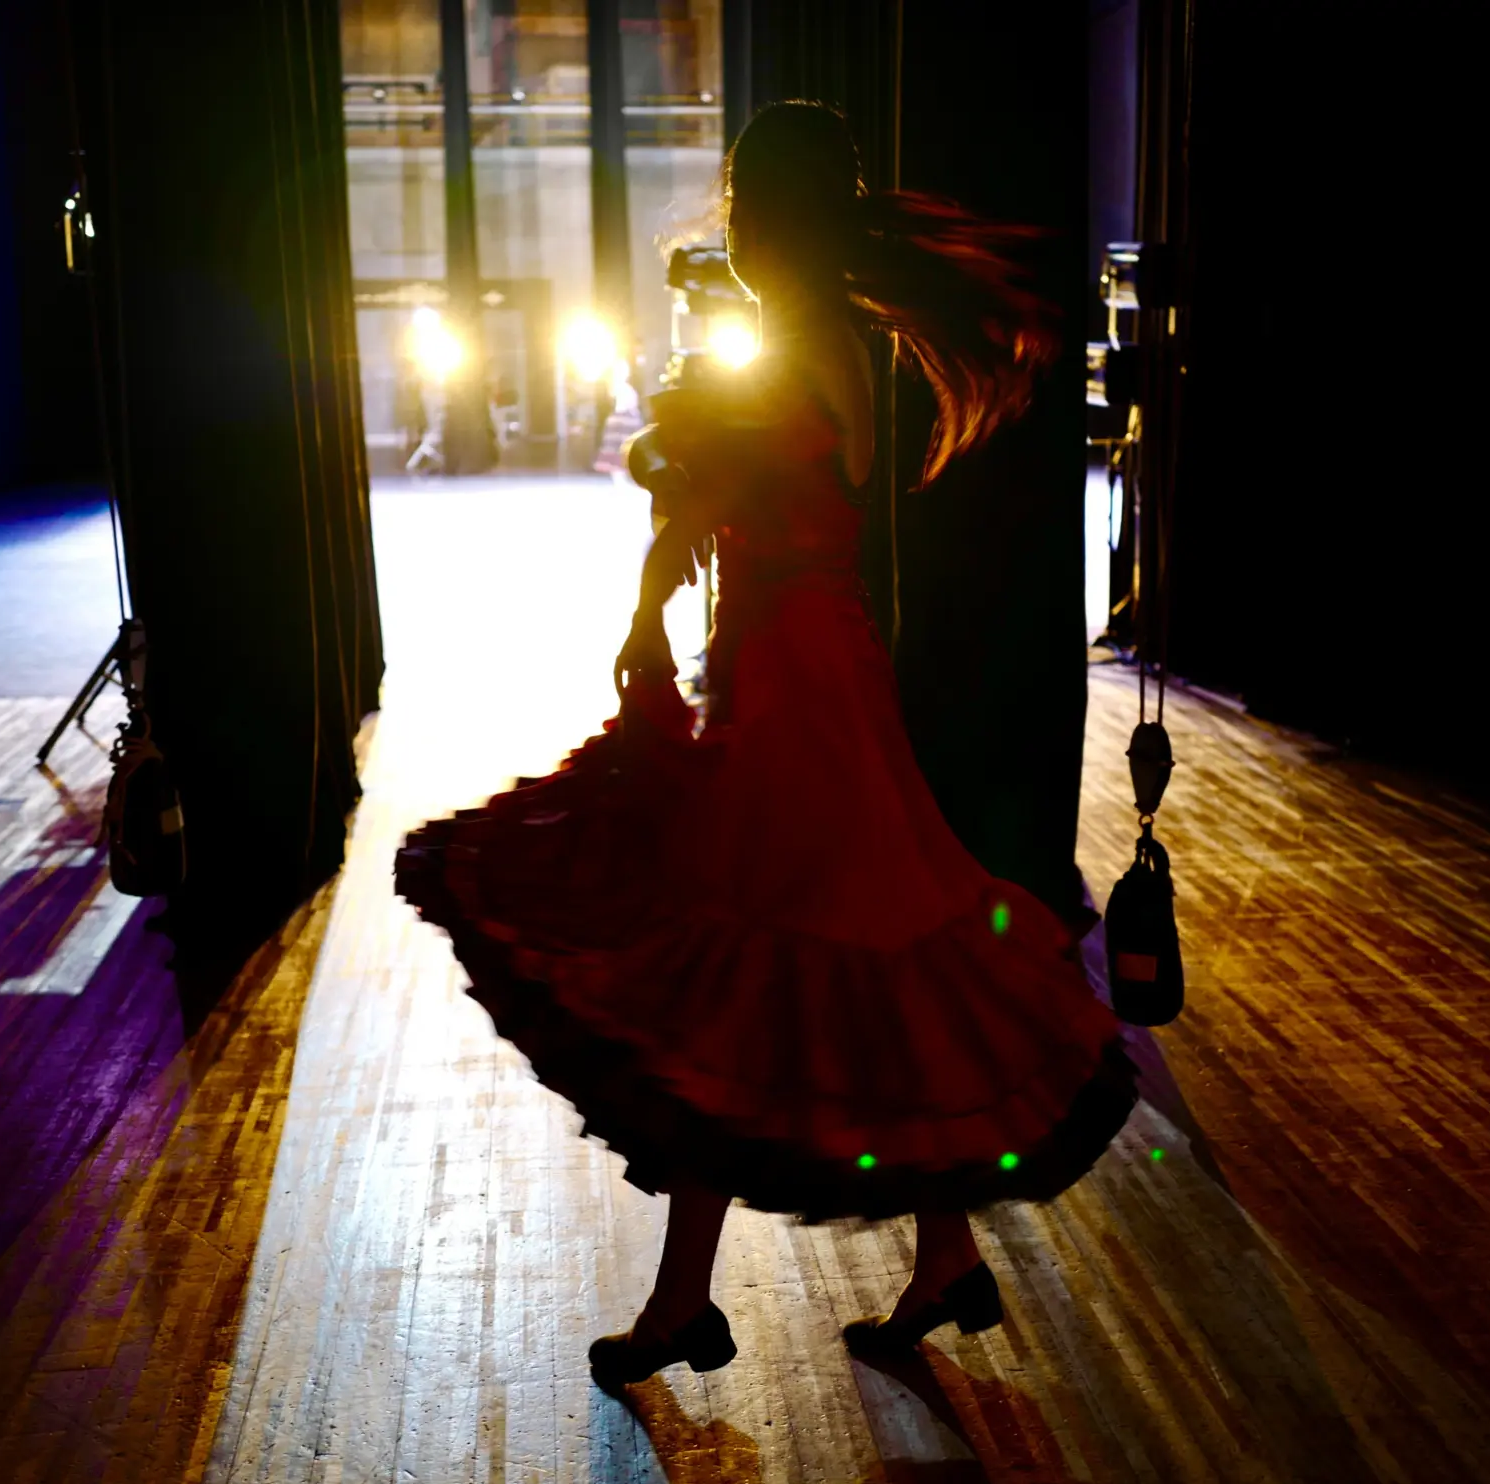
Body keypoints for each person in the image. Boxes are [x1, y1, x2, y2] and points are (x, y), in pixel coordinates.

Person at [395, 101, 1135, 1388]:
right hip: (805, 663)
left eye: (738, 204)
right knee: (841, 957)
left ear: (762, 216)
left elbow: (707, 495)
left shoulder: (794, 346)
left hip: (798, 677)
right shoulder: (834, 341)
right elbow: (717, 495)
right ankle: (935, 1257)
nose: (726, 225)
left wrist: (648, 594)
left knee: (741, 977)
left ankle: (692, 1302)